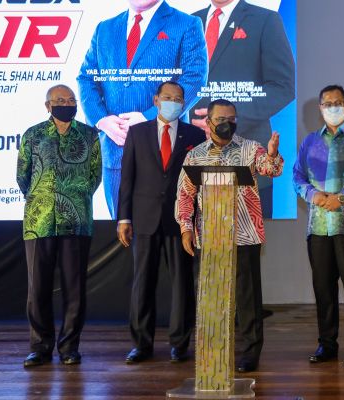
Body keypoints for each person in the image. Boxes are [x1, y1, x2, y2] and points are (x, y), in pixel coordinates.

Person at [175, 99, 283, 372]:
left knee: (247, 297)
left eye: (231, 119)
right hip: (209, 236)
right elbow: (185, 195)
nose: (227, 124)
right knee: (212, 296)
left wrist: (272, 155)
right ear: (208, 122)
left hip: (244, 235)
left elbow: (271, 170)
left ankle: (250, 352)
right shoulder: (195, 155)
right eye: (221, 119)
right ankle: (214, 350)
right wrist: (186, 228)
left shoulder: (251, 149)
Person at [77, 0, 208, 219]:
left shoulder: (187, 24)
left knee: (169, 230)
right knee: (122, 230)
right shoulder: (105, 28)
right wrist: (101, 120)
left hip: (165, 149)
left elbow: (194, 80)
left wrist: (152, 118)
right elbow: (86, 78)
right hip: (116, 150)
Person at [117, 81, 206, 364]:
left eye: (178, 99)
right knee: (143, 283)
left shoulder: (195, 135)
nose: (172, 102)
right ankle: (141, 345)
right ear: (156, 100)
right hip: (144, 219)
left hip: (181, 222)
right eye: (167, 97)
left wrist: (195, 220)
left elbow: (199, 181)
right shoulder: (137, 132)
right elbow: (127, 178)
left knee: (182, 284)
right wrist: (124, 217)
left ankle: (180, 344)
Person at [16, 84, 102, 367]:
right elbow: (23, 176)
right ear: (48, 106)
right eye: (60, 100)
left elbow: (95, 176)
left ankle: (69, 347)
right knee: (37, 288)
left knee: (74, 288)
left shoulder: (89, 135)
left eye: (70, 100)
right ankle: (40, 347)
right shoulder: (33, 135)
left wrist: (74, 196)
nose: (66, 104)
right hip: (39, 222)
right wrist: (42, 198)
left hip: (76, 222)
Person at [293, 85, 344, 366]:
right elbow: (297, 175)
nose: (333, 107)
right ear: (320, 108)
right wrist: (313, 195)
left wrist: (341, 197)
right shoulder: (309, 142)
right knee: (323, 288)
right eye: (327, 103)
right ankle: (327, 344)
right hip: (318, 227)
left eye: (338, 102)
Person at [190, 0, 295, 217]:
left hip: (246, 158)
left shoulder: (265, 20)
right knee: (198, 236)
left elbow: (282, 87)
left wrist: (231, 121)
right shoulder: (191, 21)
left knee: (248, 237)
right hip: (196, 157)